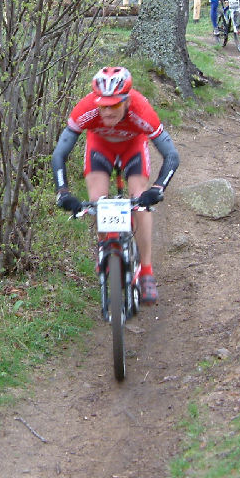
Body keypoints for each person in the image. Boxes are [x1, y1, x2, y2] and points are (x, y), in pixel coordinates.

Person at [51, 66, 180, 305]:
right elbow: (59, 154)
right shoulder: (87, 109)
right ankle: (107, 248)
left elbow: (171, 155)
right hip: (100, 148)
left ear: (127, 100)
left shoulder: (141, 109)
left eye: (114, 105)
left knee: (140, 200)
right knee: (97, 201)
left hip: (133, 148)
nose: (107, 111)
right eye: (103, 105)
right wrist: (63, 192)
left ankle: (147, 272)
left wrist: (157, 189)